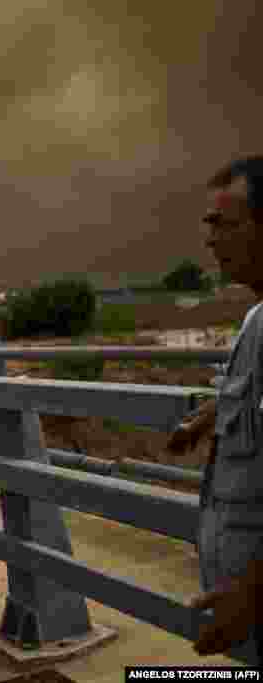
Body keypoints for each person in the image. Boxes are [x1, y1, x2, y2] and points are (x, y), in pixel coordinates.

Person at [167, 157, 263, 663]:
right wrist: (205, 420)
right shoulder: (256, 318)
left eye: (224, 225)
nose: (211, 240)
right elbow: (244, 393)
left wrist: (252, 593)